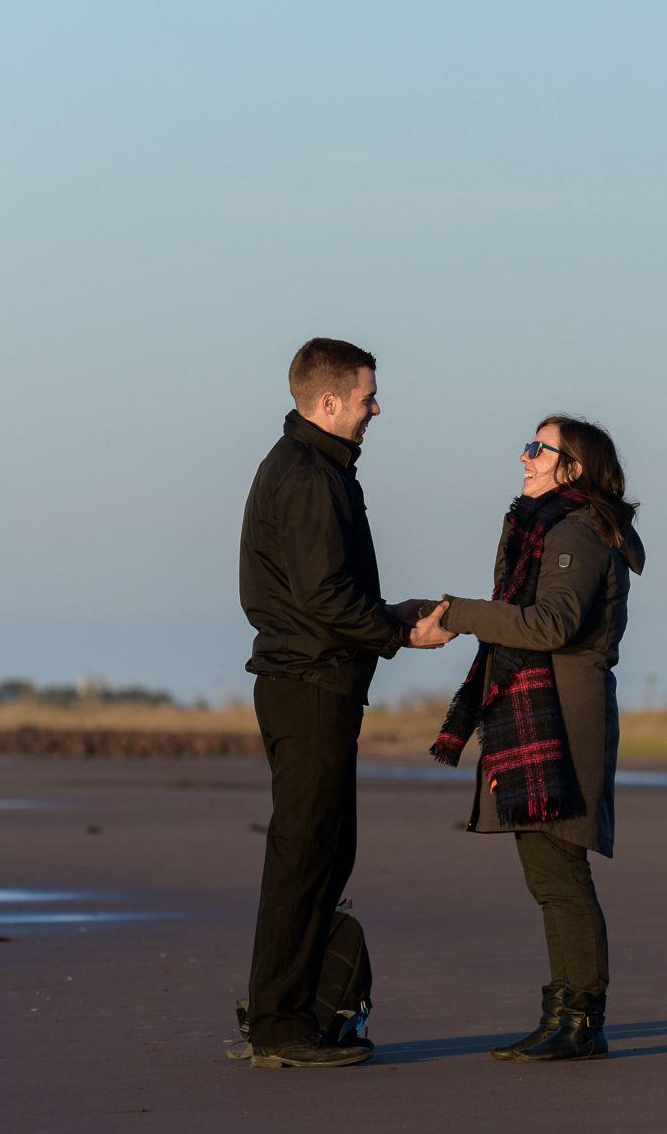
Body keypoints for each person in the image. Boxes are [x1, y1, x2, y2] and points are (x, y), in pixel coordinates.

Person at [238, 338, 451, 1069]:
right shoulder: (306, 473)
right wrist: (400, 632)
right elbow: (324, 598)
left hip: (312, 680)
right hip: (308, 684)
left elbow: (324, 594)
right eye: (367, 397)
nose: (376, 409)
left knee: (321, 853)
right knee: (308, 855)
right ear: (327, 402)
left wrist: (389, 613)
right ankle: (279, 1025)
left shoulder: (316, 467)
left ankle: (282, 1010)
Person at [417, 415, 645, 1062]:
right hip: (539, 713)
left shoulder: (578, 529)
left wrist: (458, 614)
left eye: (539, 449)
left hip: (564, 718)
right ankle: (563, 1015)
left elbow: (551, 623)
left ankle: (581, 1020)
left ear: (574, 468)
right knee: (549, 876)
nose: (525, 457)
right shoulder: (548, 527)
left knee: (561, 873)